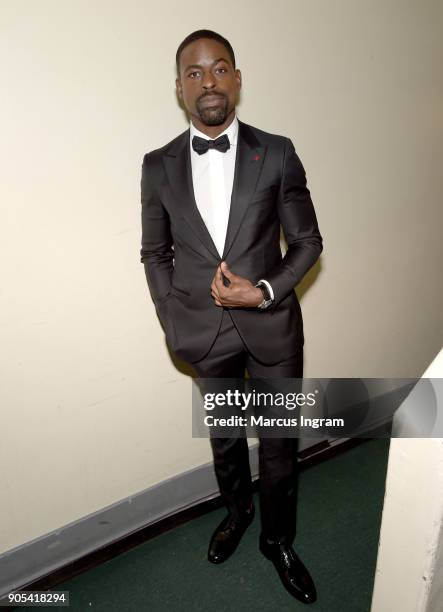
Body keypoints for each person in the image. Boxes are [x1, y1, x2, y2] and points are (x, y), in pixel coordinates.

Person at [140, 29, 323, 604]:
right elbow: (155, 253)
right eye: (194, 73)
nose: (208, 81)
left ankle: (279, 540)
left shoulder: (278, 151)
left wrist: (265, 290)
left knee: (278, 440)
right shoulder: (157, 165)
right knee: (224, 440)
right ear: (179, 88)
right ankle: (238, 514)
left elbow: (309, 242)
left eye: (219, 68)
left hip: (272, 329)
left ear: (237, 78)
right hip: (201, 332)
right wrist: (172, 315)